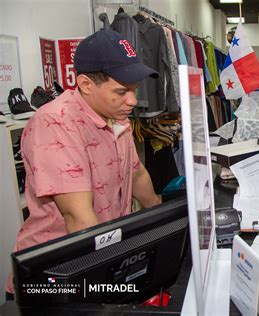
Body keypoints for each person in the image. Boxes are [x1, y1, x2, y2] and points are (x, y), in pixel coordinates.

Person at [6, 29, 161, 298]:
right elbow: (78, 218)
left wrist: (163, 219)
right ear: (87, 84)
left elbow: (135, 175)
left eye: (135, 90)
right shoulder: (55, 123)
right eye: (122, 91)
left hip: (104, 256)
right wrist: (107, 282)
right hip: (58, 275)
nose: (133, 101)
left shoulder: (116, 115)